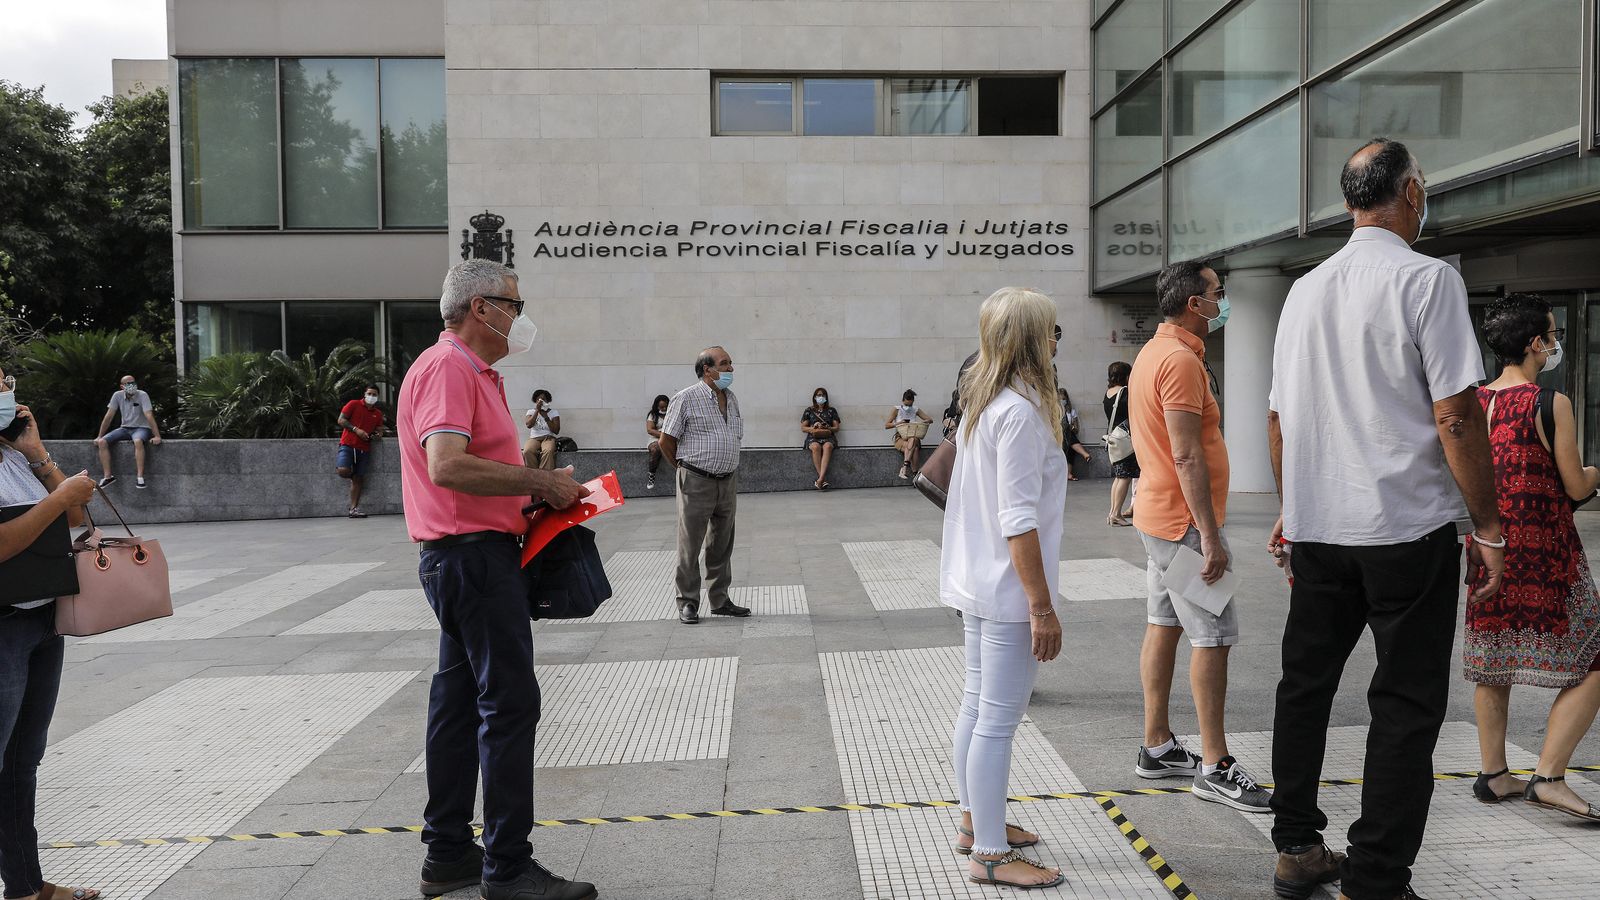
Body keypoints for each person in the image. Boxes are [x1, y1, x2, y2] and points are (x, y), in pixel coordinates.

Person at [1266, 138, 1504, 900]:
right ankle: (1376, 877)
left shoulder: (1303, 291)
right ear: (1410, 194)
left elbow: (1279, 418)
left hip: (1318, 530)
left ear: (1347, 204)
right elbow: (1458, 417)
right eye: (1421, 190)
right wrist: (1489, 526)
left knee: (1304, 686)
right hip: (1405, 529)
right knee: (1403, 704)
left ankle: (1297, 845)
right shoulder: (1427, 280)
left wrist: (1291, 507)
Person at [397, 259, 596, 900]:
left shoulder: (475, 372)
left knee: (457, 707)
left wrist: (528, 504)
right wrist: (542, 481)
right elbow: (448, 466)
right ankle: (507, 868)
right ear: (481, 308)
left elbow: (471, 469)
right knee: (509, 706)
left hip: (472, 553)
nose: (520, 313)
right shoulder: (450, 367)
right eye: (514, 301)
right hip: (471, 560)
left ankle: (449, 852)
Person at [1127, 261, 1270, 813]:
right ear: (1195, 304)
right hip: (1183, 524)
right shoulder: (1181, 361)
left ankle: (1157, 745)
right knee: (1213, 633)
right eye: (1218, 294)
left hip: (1158, 517)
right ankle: (1215, 765)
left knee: (1164, 623)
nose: (1222, 301)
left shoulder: (1153, 353)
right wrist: (1210, 536)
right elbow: (1186, 453)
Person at [940, 287, 1066, 890]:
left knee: (977, 703)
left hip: (982, 580)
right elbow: (1019, 520)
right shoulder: (1016, 413)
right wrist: (1042, 607)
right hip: (1010, 590)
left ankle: (975, 822)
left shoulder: (985, 404)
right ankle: (988, 853)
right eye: (1051, 331)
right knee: (997, 719)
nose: (1055, 342)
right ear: (1029, 340)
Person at [1468, 293, 1600, 821]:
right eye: (1551, 333)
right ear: (1534, 344)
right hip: (1544, 551)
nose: (1555, 343)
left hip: (1487, 547)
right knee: (1594, 658)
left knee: (1492, 660)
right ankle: (1549, 776)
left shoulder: (1474, 402)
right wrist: (1597, 474)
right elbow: (1574, 483)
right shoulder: (1552, 402)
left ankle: (1494, 774)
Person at [0, 367, 101, 900]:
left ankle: (26, 888)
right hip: (3, 629)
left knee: (22, 762)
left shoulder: (15, 458)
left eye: (4, 383)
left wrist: (38, 454)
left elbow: (78, 511)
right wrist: (56, 501)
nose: (4, 394)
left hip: (42, 622)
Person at [659, 346, 751, 625]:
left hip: (727, 480)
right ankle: (687, 602)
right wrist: (683, 469)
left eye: (731, 363)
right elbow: (666, 440)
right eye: (725, 364)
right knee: (691, 544)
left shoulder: (731, 398)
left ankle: (720, 600)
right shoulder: (685, 398)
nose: (731, 369)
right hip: (696, 479)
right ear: (707, 370)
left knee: (721, 543)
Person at [93, 374, 163, 489]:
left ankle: (140, 477)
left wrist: (157, 436)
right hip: (125, 428)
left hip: (142, 428)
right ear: (122, 387)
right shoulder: (117, 396)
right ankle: (108, 477)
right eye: (128, 383)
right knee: (102, 442)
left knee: (138, 441)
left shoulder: (143, 395)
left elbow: (149, 415)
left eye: (133, 382)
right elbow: (109, 416)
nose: (132, 385)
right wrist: (99, 436)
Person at [336, 385, 385, 519]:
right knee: (343, 470)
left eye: (374, 394)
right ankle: (354, 478)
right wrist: (356, 429)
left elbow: (380, 429)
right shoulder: (353, 404)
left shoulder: (378, 413)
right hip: (347, 444)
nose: (371, 396)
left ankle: (353, 509)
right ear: (364, 394)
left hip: (364, 449)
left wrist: (378, 435)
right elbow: (341, 420)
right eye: (369, 393)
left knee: (359, 478)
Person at [1104, 361, 1137, 526]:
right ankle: (1116, 513)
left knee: (1118, 477)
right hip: (1125, 438)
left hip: (1113, 439)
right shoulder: (1125, 392)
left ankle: (1112, 513)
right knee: (1125, 477)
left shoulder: (1108, 393)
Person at [885, 389, 933, 480]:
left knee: (913, 439)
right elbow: (887, 425)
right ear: (903, 401)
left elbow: (930, 419)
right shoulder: (897, 409)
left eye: (910, 405)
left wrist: (925, 421)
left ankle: (904, 467)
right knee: (914, 448)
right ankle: (915, 475)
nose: (908, 407)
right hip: (900, 438)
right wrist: (898, 423)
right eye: (906, 404)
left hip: (913, 436)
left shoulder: (915, 409)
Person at [802, 388, 840, 490]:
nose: (821, 397)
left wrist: (827, 427)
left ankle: (820, 479)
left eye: (823, 395)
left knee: (827, 446)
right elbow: (803, 428)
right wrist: (813, 427)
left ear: (826, 397)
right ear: (815, 397)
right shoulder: (809, 410)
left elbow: (836, 428)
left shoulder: (832, 410)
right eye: (818, 395)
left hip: (828, 436)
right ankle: (823, 480)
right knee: (815, 447)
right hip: (813, 437)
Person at [1058, 388, 1093, 481]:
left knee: (1070, 447)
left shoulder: (1071, 411)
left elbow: (1076, 427)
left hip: (1069, 435)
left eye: (1064, 399)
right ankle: (1085, 454)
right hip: (1058, 436)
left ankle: (1068, 474)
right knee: (1068, 437)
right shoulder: (1055, 411)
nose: (1063, 401)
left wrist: (1073, 426)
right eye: (1061, 399)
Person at [522, 389, 560, 470]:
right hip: (534, 438)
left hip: (548, 438)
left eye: (543, 399)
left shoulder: (553, 412)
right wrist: (537, 411)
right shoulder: (531, 412)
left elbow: (556, 430)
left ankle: (545, 474)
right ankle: (533, 474)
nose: (541, 401)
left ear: (547, 401)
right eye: (538, 399)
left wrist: (545, 416)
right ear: (535, 401)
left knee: (548, 451)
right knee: (527, 451)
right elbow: (529, 425)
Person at [645, 394, 670, 490]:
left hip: (671, 438)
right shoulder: (652, 415)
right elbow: (650, 430)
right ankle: (651, 475)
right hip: (656, 438)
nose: (664, 408)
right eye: (661, 407)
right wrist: (664, 435)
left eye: (665, 406)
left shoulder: (672, 413)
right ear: (656, 406)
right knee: (655, 449)